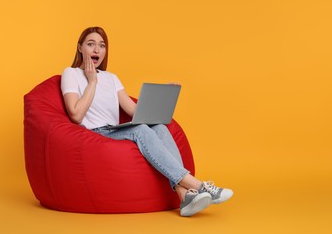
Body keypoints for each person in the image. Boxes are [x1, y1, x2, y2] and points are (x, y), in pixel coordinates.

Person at [61, 26, 233, 216]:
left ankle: (185, 195)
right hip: (95, 133)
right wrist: (92, 81)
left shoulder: (111, 78)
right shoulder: (71, 74)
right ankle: (198, 185)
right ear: (79, 48)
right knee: (141, 130)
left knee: (158, 126)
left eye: (102, 46)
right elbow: (76, 115)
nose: (96, 50)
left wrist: (162, 98)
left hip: (114, 129)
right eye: (90, 44)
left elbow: (133, 111)